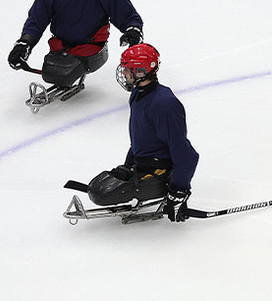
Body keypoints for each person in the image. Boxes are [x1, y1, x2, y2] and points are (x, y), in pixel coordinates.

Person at [83, 44, 200, 222]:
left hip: (159, 169)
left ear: (140, 72)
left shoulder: (164, 105)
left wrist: (178, 192)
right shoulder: (138, 94)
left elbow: (186, 155)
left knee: (102, 194)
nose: (124, 73)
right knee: (99, 189)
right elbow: (140, 138)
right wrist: (129, 165)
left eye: (127, 69)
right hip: (143, 162)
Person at [8, 0, 144, 90]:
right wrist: (25, 43)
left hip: (91, 47)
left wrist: (133, 30)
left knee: (62, 74)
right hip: (61, 46)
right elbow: (37, 19)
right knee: (51, 72)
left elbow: (128, 15)